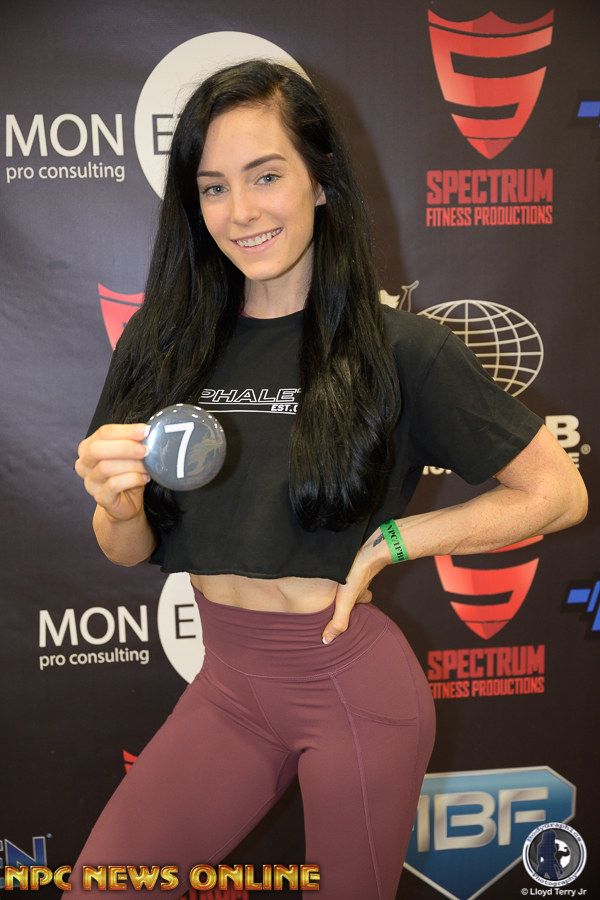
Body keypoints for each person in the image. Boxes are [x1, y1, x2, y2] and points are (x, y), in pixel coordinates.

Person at [70, 59, 587, 899]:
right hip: (228, 687)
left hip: (351, 690)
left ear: (320, 181)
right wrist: (117, 504)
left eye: (266, 175)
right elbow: (126, 549)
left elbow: (558, 490)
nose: (241, 211)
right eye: (213, 188)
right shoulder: (162, 346)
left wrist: (393, 542)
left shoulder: (402, 350)